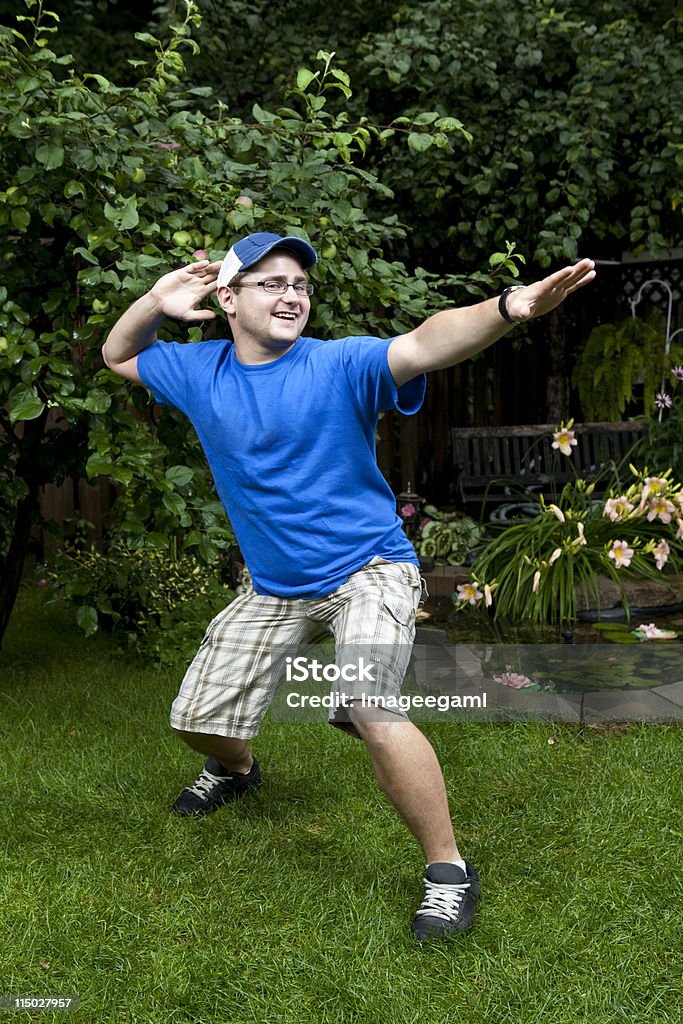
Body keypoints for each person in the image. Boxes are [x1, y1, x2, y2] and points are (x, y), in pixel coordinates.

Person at [102, 231, 595, 941]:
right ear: (227, 299)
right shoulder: (198, 371)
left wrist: (510, 305)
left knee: (368, 703)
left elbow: (426, 342)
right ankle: (237, 769)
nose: (291, 294)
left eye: (299, 284)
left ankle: (448, 873)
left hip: (369, 568)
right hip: (274, 586)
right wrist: (152, 300)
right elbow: (118, 354)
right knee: (196, 722)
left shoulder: (339, 363)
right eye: (269, 283)